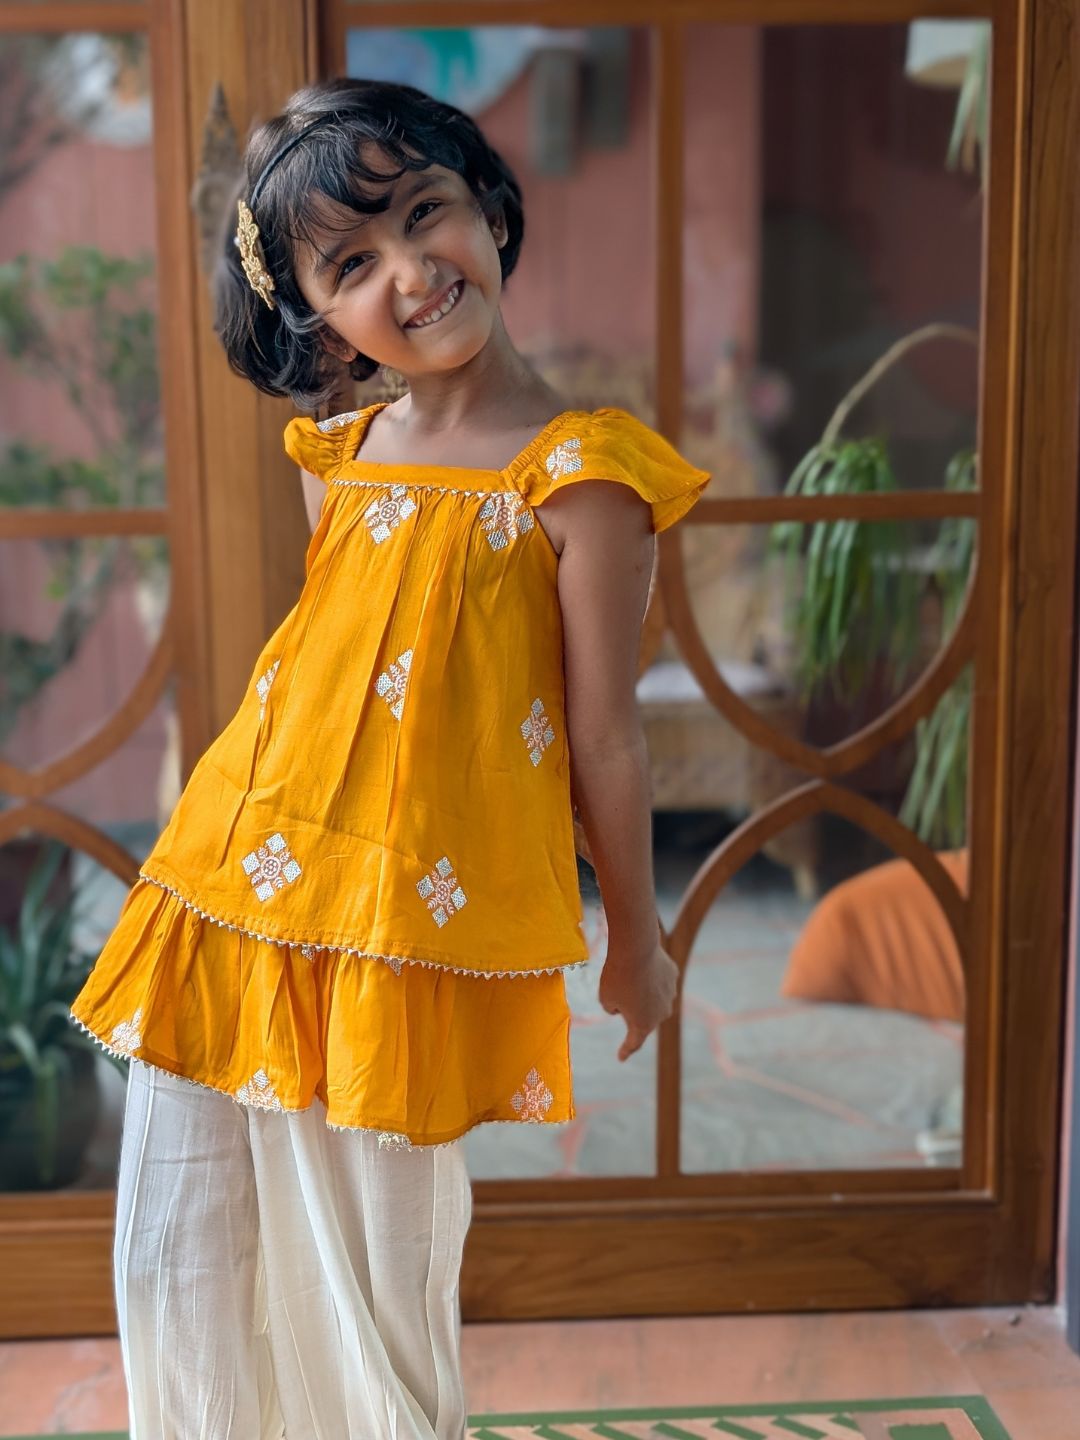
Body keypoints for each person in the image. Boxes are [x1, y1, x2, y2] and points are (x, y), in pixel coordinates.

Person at [71, 75, 709, 1440]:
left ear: (489, 207)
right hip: (232, 869)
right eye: (351, 265)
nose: (411, 274)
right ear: (316, 316)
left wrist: (639, 937)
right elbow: (331, 673)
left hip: (398, 923)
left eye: (424, 214)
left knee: (379, 1259)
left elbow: (603, 731)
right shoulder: (341, 451)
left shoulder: (584, 478)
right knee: (192, 1229)